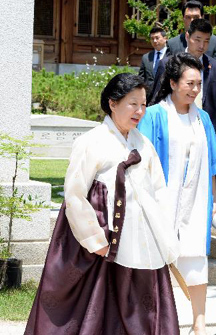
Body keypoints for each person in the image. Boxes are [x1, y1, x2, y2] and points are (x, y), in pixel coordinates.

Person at [26, 73, 180, 334]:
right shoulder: (90, 142)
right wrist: (96, 241)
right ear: (113, 103)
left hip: (141, 243)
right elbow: (75, 195)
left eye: (143, 104)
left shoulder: (144, 145)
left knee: (142, 311)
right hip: (101, 241)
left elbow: (159, 192)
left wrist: (164, 235)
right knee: (96, 309)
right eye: (133, 103)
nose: (140, 111)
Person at [138, 53, 216, 335]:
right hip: (160, 201)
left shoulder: (203, 118)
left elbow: (212, 163)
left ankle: (199, 323)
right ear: (173, 83)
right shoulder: (154, 115)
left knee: (195, 259)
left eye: (199, 84)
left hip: (196, 201)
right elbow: (141, 161)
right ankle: (154, 323)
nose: (195, 89)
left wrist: (214, 202)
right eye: (190, 83)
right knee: (155, 262)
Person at [177, 18, 216, 157]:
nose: (202, 45)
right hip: (177, 129)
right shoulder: (171, 64)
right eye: (198, 40)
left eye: (206, 41)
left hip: (206, 132)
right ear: (187, 36)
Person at [139, 26, 169, 101]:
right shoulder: (146, 57)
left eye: (157, 38)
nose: (155, 41)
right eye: (152, 39)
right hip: (149, 97)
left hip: (166, 95)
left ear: (165, 38)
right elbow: (141, 78)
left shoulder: (171, 55)